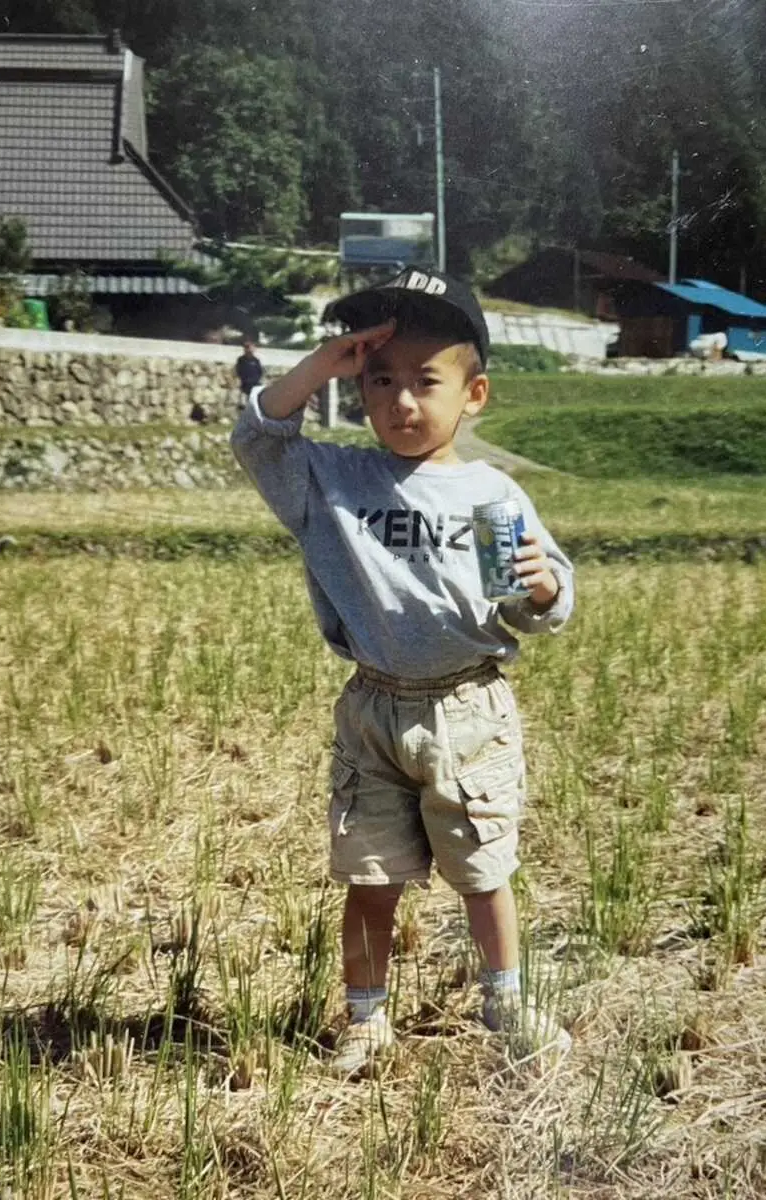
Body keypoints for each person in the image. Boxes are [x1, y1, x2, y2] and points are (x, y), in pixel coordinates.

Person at [231, 267, 574, 1077]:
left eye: (425, 381)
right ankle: (364, 1019)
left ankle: (505, 1002)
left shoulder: (493, 494)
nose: (401, 402)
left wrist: (544, 587)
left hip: (469, 709)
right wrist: (320, 364)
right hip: (374, 710)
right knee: (370, 876)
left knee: (484, 872)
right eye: (379, 379)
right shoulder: (332, 482)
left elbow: (539, 603)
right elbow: (257, 436)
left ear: (475, 393)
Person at [234, 340, 264, 407]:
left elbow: (260, 372)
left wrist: (255, 380)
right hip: (245, 386)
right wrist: (244, 379)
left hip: (254, 386)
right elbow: (239, 370)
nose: (249, 349)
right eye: (247, 347)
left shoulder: (256, 360)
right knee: (243, 405)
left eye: (250, 347)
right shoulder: (241, 360)